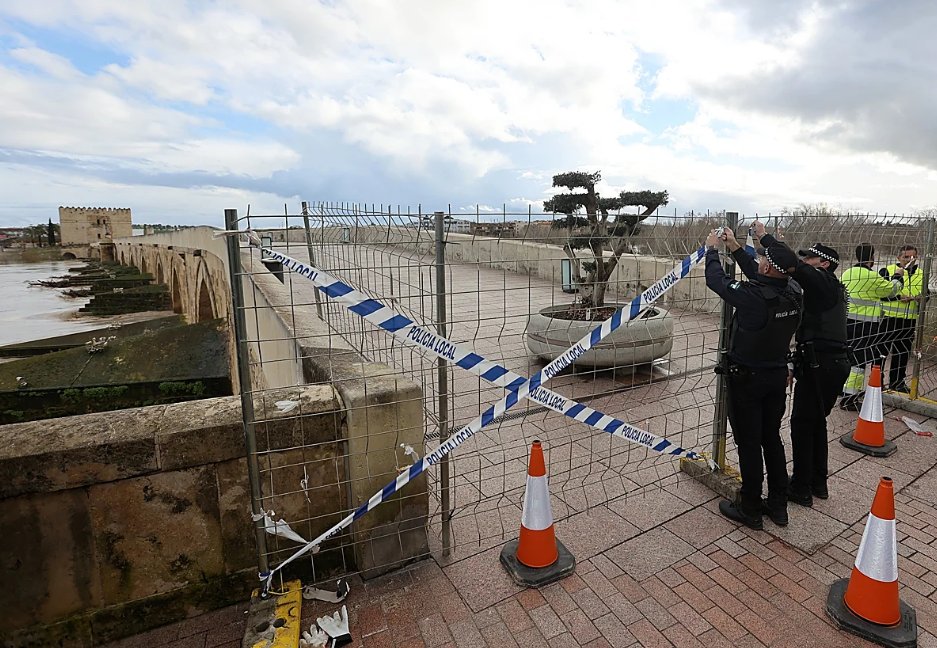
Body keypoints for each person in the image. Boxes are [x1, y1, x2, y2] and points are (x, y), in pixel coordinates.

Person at [705, 227, 802, 529]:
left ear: (768, 266)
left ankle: (750, 507)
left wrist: (711, 251)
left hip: (748, 380)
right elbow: (761, 276)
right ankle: (778, 505)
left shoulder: (754, 297)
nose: (757, 260)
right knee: (771, 439)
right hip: (776, 378)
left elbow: (717, 281)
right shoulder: (794, 291)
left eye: (762, 258)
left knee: (749, 443)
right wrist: (734, 246)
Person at [751, 224, 849, 506]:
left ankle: (801, 487)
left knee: (802, 424)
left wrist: (765, 237)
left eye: (811, 259)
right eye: (805, 258)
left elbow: (792, 264)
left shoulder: (822, 281)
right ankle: (818, 482)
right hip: (827, 363)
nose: (805, 262)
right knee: (816, 422)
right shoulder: (828, 287)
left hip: (823, 365)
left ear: (825, 264)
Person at [839, 244, 903, 410]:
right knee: (859, 363)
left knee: (847, 358)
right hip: (864, 325)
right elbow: (891, 290)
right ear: (872, 257)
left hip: (845, 322)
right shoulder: (870, 276)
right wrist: (898, 276)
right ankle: (849, 399)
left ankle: (842, 389)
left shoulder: (848, 273)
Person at [879, 245, 923, 393]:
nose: (910, 260)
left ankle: (897, 383)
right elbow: (881, 294)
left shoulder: (921, 273)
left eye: (913, 257)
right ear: (898, 258)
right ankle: (877, 382)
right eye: (906, 257)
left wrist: (918, 298)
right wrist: (899, 297)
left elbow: (926, 295)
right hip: (887, 319)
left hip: (908, 320)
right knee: (881, 353)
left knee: (902, 354)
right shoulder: (887, 271)